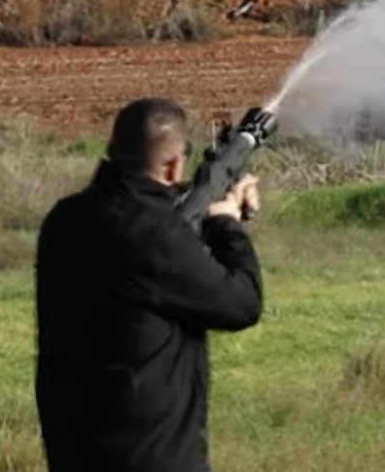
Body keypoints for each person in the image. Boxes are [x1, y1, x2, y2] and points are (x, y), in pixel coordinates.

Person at [35, 97, 264, 472]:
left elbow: (142, 211)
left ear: (112, 148)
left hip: (75, 450)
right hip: (153, 455)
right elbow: (242, 303)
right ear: (174, 165)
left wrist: (212, 196)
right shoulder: (155, 236)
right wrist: (227, 224)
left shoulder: (65, 218)